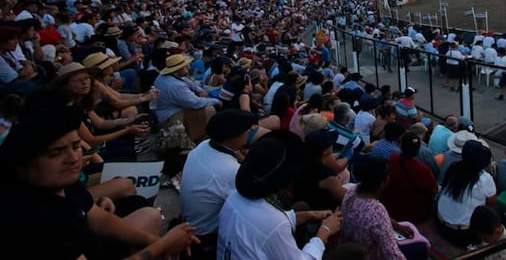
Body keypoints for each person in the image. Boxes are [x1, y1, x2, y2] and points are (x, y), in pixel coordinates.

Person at [0, 88, 199, 259]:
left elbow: (100, 219)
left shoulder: (63, 183)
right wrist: (162, 246)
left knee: (147, 212)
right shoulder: (27, 218)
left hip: (90, 244)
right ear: (23, 165)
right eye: (56, 153)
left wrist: (158, 241)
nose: (73, 158)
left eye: (76, 146)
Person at [217, 130, 343, 259]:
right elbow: (270, 226)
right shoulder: (275, 224)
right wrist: (324, 232)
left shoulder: (234, 197)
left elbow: (261, 224)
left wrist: (307, 215)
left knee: (301, 206)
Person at [180, 110, 266, 259]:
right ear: (232, 137)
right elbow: (255, 203)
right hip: (206, 237)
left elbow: (233, 155)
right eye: (246, 131)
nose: (248, 135)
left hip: (189, 222)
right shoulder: (230, 171)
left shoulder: (204, 146)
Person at [339, 155, 429, 260]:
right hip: (367, 256)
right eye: (387, 174)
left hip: (347, 250)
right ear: (383, 182)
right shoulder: (377, 211)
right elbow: (393, 255)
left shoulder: (352, 190)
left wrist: (396, 226)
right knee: (422, 247)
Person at [436, 140, 497, 248]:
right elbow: (491, 205)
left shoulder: (454, 167)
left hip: (440, 222)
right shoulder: (485, 179)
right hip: (461, 233)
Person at [382, 132, 438, 224]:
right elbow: (432, 189)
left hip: (391, 207)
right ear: (418, 149)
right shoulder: (422, 169)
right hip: (412, 214)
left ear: (401, 145)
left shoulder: (393, 158)